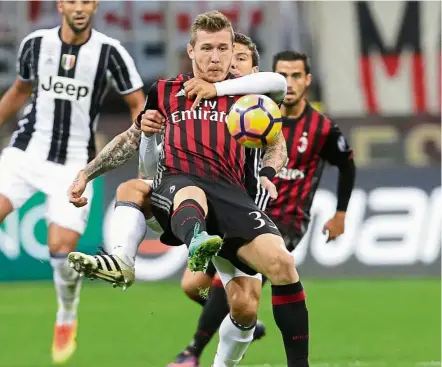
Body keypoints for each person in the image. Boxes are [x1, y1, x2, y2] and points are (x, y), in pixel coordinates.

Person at [68, 11, 311, 367]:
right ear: (191, 51)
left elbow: (277, 84)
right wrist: (86, 173)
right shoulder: (166, 91)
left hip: (234, 199)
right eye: (207, 48)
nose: (216, 57)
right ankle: (130, 257)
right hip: (178, 187)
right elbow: (131, 142)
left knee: (270, 279)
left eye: (224, 49)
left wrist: (218, 91)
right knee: (153, 189)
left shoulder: (247, 95)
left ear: (232, 52)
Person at [166, 49, 357, 367]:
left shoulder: (321, 127)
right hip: (245, 210)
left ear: (307, 80)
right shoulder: (248, 111)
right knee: (193, 285)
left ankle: (193, 352)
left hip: (286, 218)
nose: (290, 82)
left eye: (296, 75)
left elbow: (347, 165)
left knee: (241, 284)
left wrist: (340, 214)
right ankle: (244, 320)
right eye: (283, 75)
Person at [0, 1, 145, 364]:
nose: (79, 8)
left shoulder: (111, 53)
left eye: (86, 1)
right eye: (72, 0)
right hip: (25, 154)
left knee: (61, 251)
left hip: (74, 165)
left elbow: (137, 104)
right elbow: (20, 91)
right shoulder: (35, 44)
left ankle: (66, 314)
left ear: (94, 6)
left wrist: (146, 154)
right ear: (61, 5)